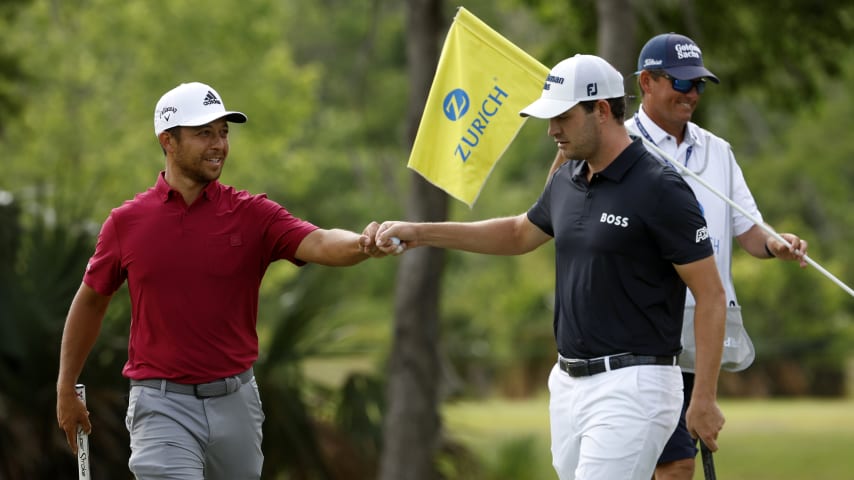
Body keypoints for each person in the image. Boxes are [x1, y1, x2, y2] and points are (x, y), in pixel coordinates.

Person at [375, 54, 727, 480]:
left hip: (636, 387)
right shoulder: (569, 178)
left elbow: (710, 294)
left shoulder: (660, 188)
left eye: (562, 116)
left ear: (601, 110)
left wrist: (703, 397)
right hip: (568, 383)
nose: (551, 130)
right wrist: (422, 233)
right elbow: (519, 233)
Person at [55, 81, 387, 479]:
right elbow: (91, 301)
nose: (219, 144)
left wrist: (364, 243)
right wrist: (65, 385)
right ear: (169, 141)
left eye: (224, 132)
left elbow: (318, 241)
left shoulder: (253, 214)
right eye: (204, 133)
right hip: (161, 406)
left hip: (237, 404)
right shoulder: (127, 223)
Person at [542, 35, 810, 480]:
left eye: (699, 86)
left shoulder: (717, 150)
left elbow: (748, 228)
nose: (692, 95)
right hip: (644, 326)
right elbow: (556, 207)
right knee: (672, 464)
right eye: (682, 84)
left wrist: (775, 242)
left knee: (676, 462)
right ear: (646, 82)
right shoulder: (612, 143)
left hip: (701, 325)